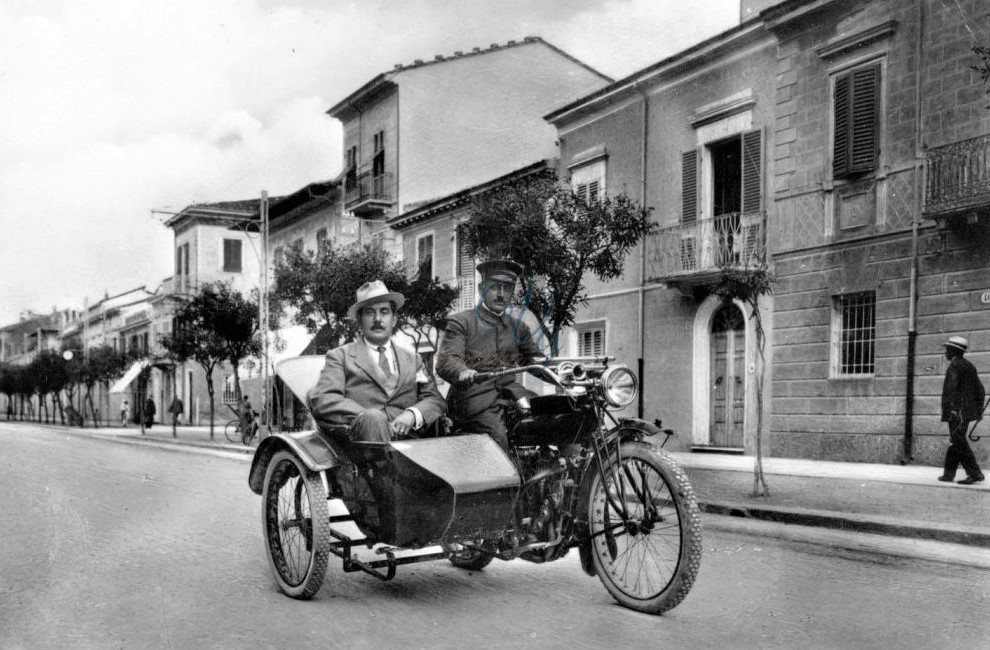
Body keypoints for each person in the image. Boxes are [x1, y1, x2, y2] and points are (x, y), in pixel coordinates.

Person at [308, 280, 446, 444]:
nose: (378, 319)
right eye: (369, 312)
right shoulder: (340, 356)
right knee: (373, 418)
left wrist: (413, 414)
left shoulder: (413, 360)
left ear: (394, 320)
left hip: (411, 444)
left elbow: (434, 399)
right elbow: (324, 398)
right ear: (359, 321)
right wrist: (366, 417)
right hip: (362, 445)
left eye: (384, 311)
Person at [436, 259, 543, 450]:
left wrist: (568, 372)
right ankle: (512, 480)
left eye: (508, 288)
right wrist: (462, 371)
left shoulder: (518, 327)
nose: (501, 294)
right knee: (498, 440)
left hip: (511, 396)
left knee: (554, 415)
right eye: (495, 287)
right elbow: (447, 360)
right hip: (474, 401)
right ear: (481, 288)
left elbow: (537, 361)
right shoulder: (462, 322)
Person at [938, 336, 986, 485]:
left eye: (947, 349)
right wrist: (978, 411)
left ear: (953, 351)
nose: (945, 352)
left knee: (958, 441)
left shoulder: (955, 366)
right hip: (964, 412)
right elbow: (980, 390)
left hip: (956, 413)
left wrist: (952, 410)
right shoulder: (969, 366)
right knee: (956, 440)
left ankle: (975, 473)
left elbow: (952, 391)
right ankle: (948, 474)